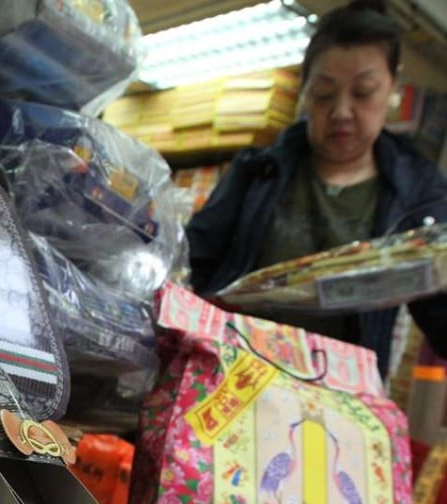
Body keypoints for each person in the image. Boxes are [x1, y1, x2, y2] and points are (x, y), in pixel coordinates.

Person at [187, 0, 447, 377]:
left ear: (393, 86)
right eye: (325, 94)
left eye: (363, 92)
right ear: (305, 90)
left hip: (338, 398)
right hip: (231, 376)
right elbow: (192, 265)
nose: (341, 111)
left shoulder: (418, 196)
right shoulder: (258, 170)